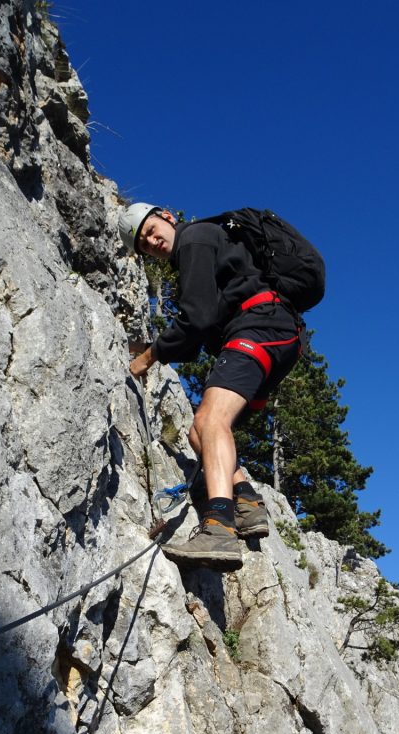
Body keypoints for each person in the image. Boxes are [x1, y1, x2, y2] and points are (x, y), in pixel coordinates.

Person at [119, 203, 303, 571]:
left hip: (259, 328)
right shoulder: (205, 244)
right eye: (144, 244)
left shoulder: (195, 238)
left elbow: (197, 319)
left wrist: (148, 357)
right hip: (274, 334)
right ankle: (246, 501)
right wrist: (158, 347)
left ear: (168, 216)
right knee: (197, 431)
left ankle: (218, 526)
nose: (153, 242)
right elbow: (199, 327)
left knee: (211, 419)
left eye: (153, 230)